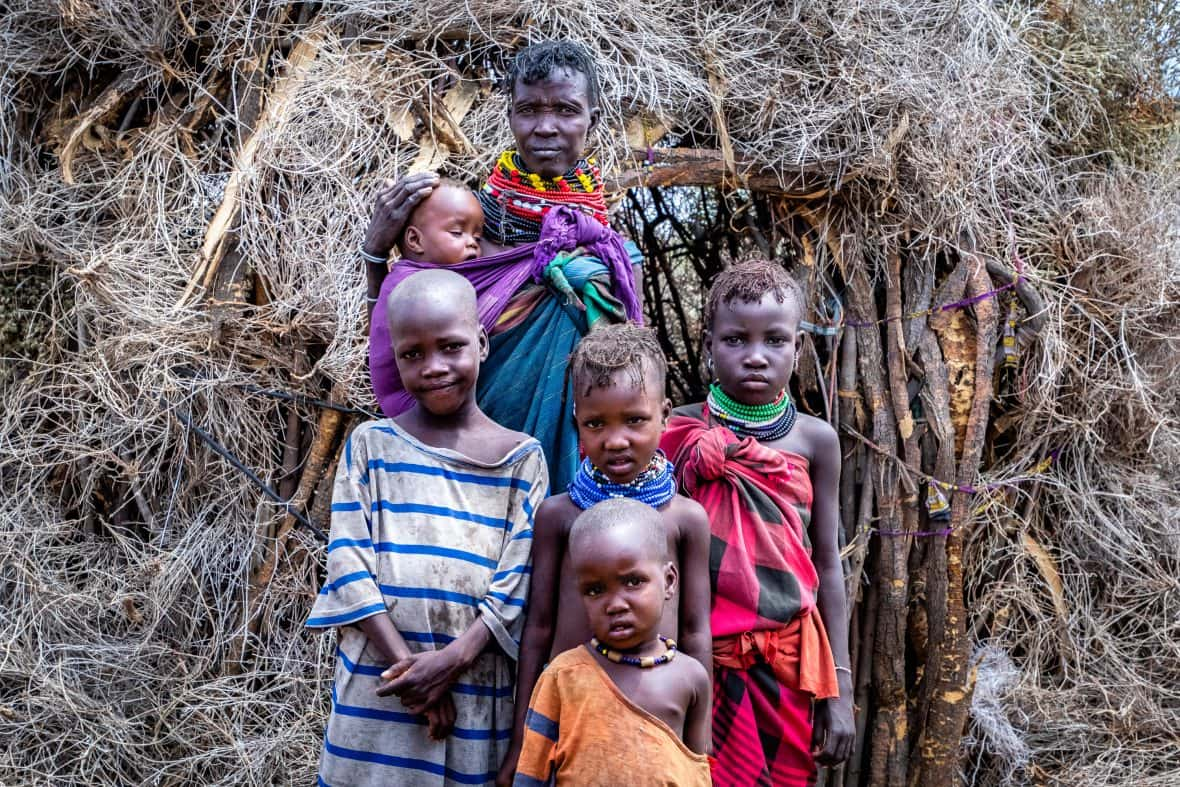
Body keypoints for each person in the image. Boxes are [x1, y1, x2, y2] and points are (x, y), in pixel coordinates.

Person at [361, 40, 643, 491]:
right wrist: (377, 256)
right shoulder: (457, 237)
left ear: (593, 118)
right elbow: (395, 346)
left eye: (566, 110)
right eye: (529, 109)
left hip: (579, 491)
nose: (545, 127)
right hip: (455, 473)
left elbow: (633, 383)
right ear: (509, 114)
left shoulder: (613, 257)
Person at [306, 269, 548, 786]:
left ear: (481, 343)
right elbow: (348, 566)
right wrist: (411, 675)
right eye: (412, 354)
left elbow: (515, 587)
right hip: (381, 694)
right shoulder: (371, 446)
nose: (434, 367)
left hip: (473, 696)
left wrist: (453, 662)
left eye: (450, 346)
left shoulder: (521, 461)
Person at [660, 260, 855, 786]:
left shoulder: (816, 441)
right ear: (707, 343)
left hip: (787, 668)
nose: (754, 356)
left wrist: (841, 689)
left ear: (798, 347)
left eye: (775, 340)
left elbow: (827, 566)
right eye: (735, 339)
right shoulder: (677, 432)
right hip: (697, 663)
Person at [500, 323, 712, 784]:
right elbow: (537, 629)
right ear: (576, 421)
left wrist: (699, 750)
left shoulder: (685, 519)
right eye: (596, 424)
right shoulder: (559, 515)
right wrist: (522, 740)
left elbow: (695, 632)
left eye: (634, 420)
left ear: (665, 415)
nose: (615, 440)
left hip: (658, 709)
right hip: (569, 712)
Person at [512, 498, 712, 786]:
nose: (615, 604)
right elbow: (531, 774)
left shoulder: (691, 678)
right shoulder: (563, 676)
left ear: (669, 581)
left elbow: (696, 774)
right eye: (595, 590)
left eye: (633, 582)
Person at [396, 178, 484, 266]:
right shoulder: (420, 279)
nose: (472, 242)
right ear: (415, 240)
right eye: (457, 233)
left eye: (477, 238)